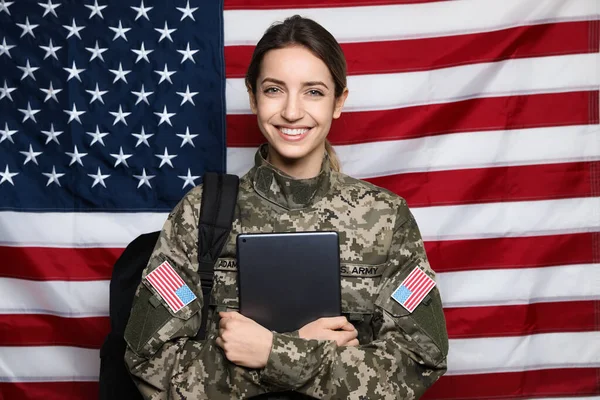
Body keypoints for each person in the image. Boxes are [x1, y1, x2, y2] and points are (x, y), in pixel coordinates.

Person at [124, 15, 449, 400]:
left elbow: (420, 358)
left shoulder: (386, 217)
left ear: (339, 102)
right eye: (275, 89)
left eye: (313, 92)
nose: (292, 112)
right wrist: (297, 355)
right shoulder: (201, 214)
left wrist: (273, 354)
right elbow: (148, 362)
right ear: (253, 97)